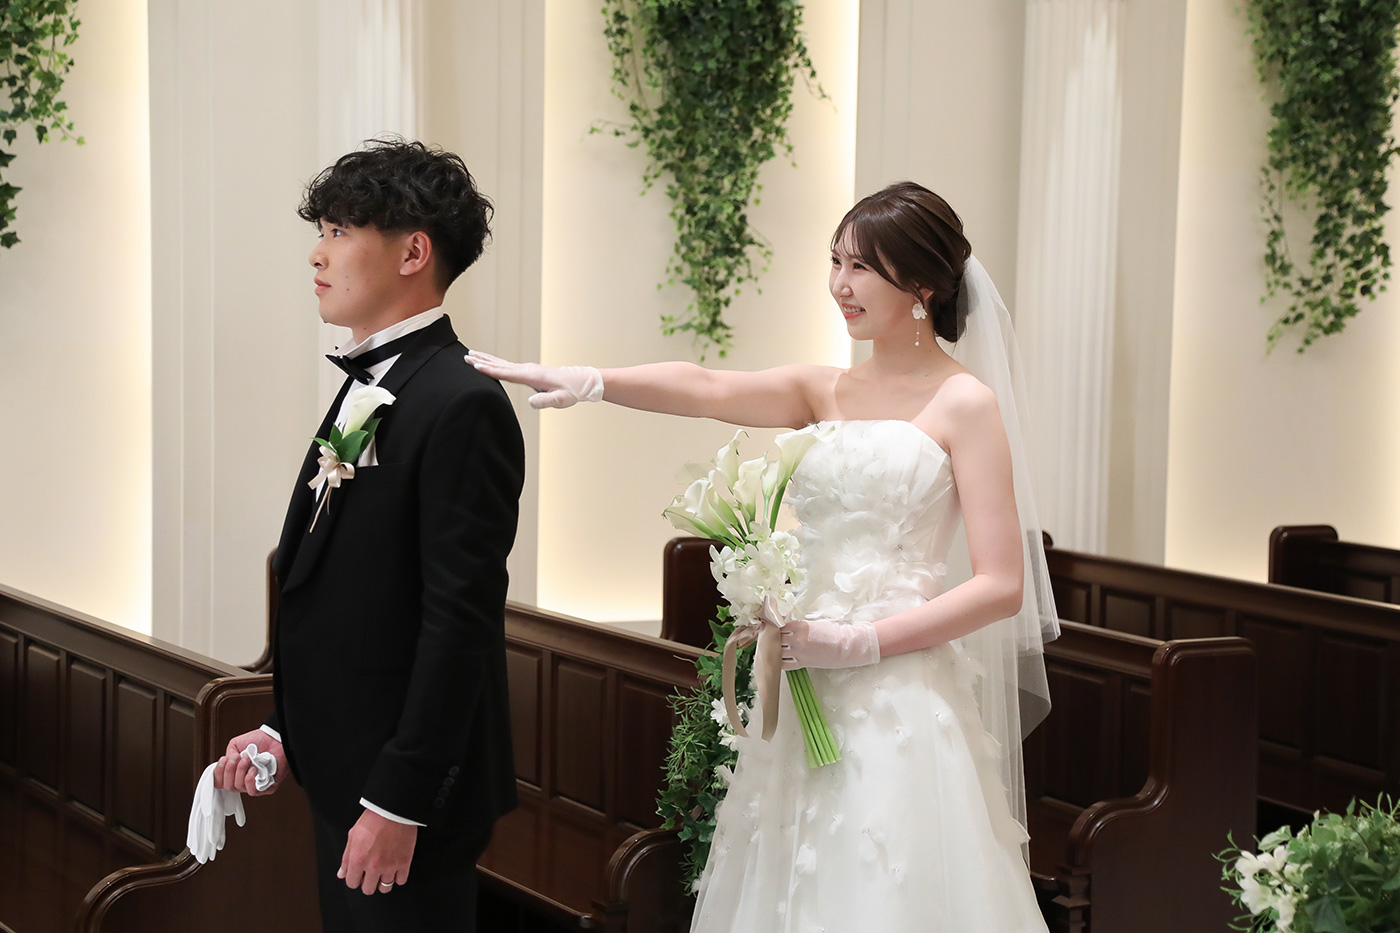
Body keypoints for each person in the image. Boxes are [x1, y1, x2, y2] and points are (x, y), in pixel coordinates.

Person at [468, 181, 1059, 931]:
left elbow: (1002, 584)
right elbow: (707, 387)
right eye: (835, 262)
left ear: (922, 285)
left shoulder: (965, 403)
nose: (839, 285)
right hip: (799, 679)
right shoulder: (824, 388)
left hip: (898, 693)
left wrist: (862, 641)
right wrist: (590, 381)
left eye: (861, 267)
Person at [214, 138, 525, 932]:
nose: (316, 255)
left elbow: (459, 621)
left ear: (413, 252)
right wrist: (285, 727)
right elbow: (341, 586)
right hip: (344, 766)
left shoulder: (461, 402)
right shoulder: (375, 383)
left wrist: (400, 799)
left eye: (339, 231)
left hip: (402, 793)